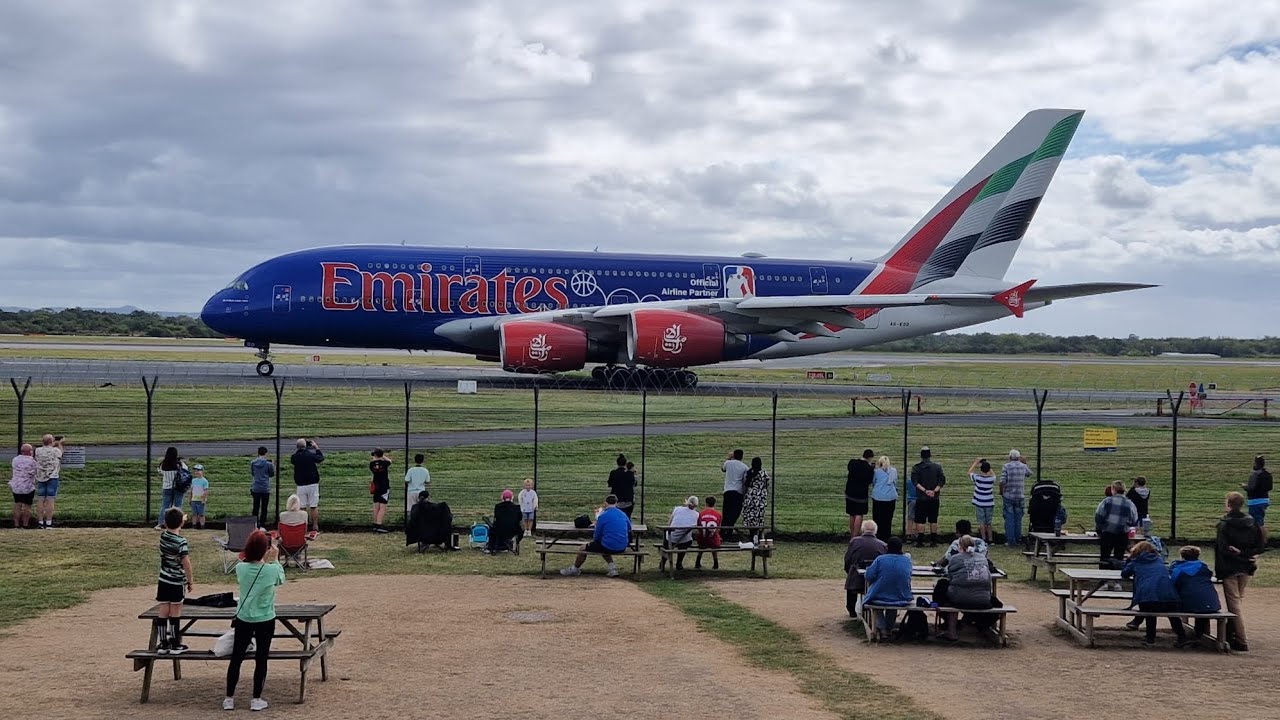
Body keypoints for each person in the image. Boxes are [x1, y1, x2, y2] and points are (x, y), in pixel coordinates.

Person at [224, 529, 286, 712]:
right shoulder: (272, 569)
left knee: (237, 657)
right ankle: (256, 698)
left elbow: (250, 565)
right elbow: (280, 579)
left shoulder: (241, 568)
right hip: (265, 618)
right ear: (266, 549)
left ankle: (229, 698)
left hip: (244, 617)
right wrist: (274, 559)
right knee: (261, 658)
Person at [1215, 491, 1265, 651]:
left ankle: (1241, 640)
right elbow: (1260, 546)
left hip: (1230, 567)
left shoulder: (1224, 524)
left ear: (1228, 504)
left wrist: (1237, 555)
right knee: (1237, 600)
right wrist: (1246, 556)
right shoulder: (1251, 522)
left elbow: (1223, 549)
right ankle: (1231, 634)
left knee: (1234, 603)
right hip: (1246, 566)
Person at [1121, 540, 1188, 648]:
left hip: (1148, 597)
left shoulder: (1136, 561)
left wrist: (1128, 561)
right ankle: (1182, 636)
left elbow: (1124, 574)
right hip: (1169, 595)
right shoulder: (1159, 560)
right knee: (1173, 615)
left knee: (1150, 614)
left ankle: (1150, 638)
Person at [934, 535, 994, 642]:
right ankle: (974, 624)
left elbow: (950, 577)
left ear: (959, 546)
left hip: (959, 599)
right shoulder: (982, 558)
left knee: (944, 589)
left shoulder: (955, 558)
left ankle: (951, 630)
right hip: (984, 600)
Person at [561, 494, 630, 577]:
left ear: (605, 503)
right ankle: (613, 569)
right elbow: (629, 527)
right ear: (616, 503)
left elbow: (597, 534)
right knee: (604, 545)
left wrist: (596, 541)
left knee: (583, 548)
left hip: (608, 545)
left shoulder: (603, 516)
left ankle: (574, 569)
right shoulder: (623, 514)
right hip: (623, 546)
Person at [155, 507, 193, 656]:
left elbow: (174, 524)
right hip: (177, 580)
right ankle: (175, 642)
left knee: (164, 608)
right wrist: (190, 581)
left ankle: (163, 642)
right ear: (181, 524)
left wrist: (179, 518)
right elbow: (186, 563)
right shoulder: (181, 541)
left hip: (163, 579)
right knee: (175, 610)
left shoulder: (163, 536)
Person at [863, 537, 914, 637]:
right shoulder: (906, 560)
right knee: (893, 604)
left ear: (887, 547)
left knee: (875, 602)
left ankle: (882, 628)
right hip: (901, 596)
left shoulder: (880, 559)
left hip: (879, 597)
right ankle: (889, 628)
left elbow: (868, 576)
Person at [1170, 545, 1221, 640]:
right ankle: (1200, 635)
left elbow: (1172, 584)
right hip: (1211, 603)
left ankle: (1182, 636)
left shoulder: (1178, 569)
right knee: (1201, 604)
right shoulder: (1204, 568)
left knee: (1173, 609)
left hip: (1187, 604)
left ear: (1182, 556)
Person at [843, 519, 886, 617]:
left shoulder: (854, 542)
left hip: (856, 578)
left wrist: (848, 571)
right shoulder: (882, 545)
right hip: (875, 579)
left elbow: (848, 559)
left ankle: (851, 609)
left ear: (862, 530)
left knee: (852, 571)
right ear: (875, 531)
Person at [1095, 480, 1138, 569]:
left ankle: (1103, 580)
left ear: (1113, 489)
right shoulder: (1130, 504)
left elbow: (1099, 515)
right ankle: (1117, 581)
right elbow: (1134, 520)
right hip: (1122, 534)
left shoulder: (1107, 501)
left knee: (1105, 557)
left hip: (1107, 532)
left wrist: (1099, 529)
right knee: (1119, 558)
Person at [911, 447, 945, 547]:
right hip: (934, 497)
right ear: (930, 455)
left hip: (922, 497)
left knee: (920, 519)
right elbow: (942, 480)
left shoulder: (916, 467)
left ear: (921, 456)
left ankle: (920, 541)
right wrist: (934, 490)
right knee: (933, 519)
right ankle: (933, 541)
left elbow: (915, 482)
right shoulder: (937, 467)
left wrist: (925, 491)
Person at [290, 438, 324, 532]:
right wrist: (316, 448)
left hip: (301, 484)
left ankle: (303, 527)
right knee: (313, 505)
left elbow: (293, 459)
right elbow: (320, 458)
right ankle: (315, 526)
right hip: (312, 483)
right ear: (306, 446)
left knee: (302, 507)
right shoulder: (310, 455)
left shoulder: (294, 457)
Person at [999, 449, 1031, 548]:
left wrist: (1001, 491)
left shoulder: (1006, 466)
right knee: (1018, 519)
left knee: (1009, 519)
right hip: (1020, 496)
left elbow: (1002, 481)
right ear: (1019, 457)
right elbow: (1029, 474)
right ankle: (1018, 538)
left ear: (1009, 457)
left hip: (1009, 495)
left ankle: (1011, 541)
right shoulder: (1023, 466)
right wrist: (1025, 463)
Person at [661, 496, 700, 572]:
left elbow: (669, 523)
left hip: (670, 538)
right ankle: (679, 563)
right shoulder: (696, 515)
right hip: (683, 540)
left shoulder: (677, 509)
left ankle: (662, 562)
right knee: (687, 541)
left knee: (666, 542)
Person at [34, 434, 64, 529]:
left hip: (40, 477)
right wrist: (59, 443)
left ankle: (40, 522)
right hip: (52, 476)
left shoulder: (38, 451)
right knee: (50, 499)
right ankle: (48, 522)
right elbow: (60, 453)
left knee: (41, 499)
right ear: (52, 441)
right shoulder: (56, 450)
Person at [155, 447, 186, 530]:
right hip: (178, 487)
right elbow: (185, 470)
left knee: (165, 506)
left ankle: (161, 523)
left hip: (166, 487)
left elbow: (160, 471)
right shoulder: (179, 464)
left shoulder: (163, 464)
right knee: (178, 506)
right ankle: (178, 524)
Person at [721, 449, 749, 540]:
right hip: (738, 492)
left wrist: (728, 458)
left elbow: (723, 468)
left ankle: (722, 533)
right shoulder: (745, 467)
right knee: (734, 513)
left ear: (734, 455)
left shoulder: (728, 463)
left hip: (728, 491)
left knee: (726, 513)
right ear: (742, 456)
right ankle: (729, 533)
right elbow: (745, 481)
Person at [846, 449, 874, 536]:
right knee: (859, 514)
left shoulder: (853, 462)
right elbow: (870, 481)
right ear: (870, 457)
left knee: (852, 514)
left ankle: (852, 534)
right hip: (861, 494)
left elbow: (849, 469)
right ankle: (855, 535)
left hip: (850, 492)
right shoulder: (869, 468)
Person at [1242, 455, 1271, 540]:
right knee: (1259, 521)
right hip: (1265, 499)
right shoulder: (1267, 474)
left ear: (1256, 463)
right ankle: (1260, 540)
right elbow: (1270, 487)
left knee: (1258, 523)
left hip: (1255, 501)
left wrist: (1244, 486)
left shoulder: (1255, 475)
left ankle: (1262, 542)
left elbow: (1251, 488)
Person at [486, 489, 524, 554]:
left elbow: (496, 518)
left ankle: (491, 547)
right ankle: (507, 546)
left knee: (492, 528)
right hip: (513, 531)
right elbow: (520, 519)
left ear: (502, 497)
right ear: (512, 497)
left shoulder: (498, 507)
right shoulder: (517, 508)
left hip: (500, 531)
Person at [968, 458, 996, 543]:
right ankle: (990, 539)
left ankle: (983, 538)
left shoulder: (977, 478)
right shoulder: (991, 479)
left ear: (981, 469)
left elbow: (969, 473)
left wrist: (976, 462)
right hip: (989, 503)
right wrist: (987, 465)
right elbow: (993, 474)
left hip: (979, 503)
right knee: (989, 522)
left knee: (981, 522)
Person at [871, 456, 898, 542]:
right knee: (888, 518)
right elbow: (895, 482)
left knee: (877, 518)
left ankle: (878, 536)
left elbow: (874, 482)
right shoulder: (893, 471)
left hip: (878, 497)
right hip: (890, 497)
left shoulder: (876, 472)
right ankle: (887, 536)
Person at [741, 457, 770, 535]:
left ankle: (752, 535)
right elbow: (767, 485)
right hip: (760, 498)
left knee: (750, 517)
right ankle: (759, 536)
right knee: (759, 517)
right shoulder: (764, 473)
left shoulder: (749, 473)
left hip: (750, 498)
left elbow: (746, 484)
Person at [10, 444, 36, 529]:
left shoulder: (15, 459)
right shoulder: (32, 461)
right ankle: (25, 524)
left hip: (16, 486)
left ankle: (16, 524)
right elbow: (34, 471)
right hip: (28, 486)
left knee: (17, 505)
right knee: (27, 506)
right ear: (29, 451)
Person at [695, 495, 722, 570]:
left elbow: (698, 526)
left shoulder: (701, 513)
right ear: (714, 504)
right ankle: (715, 563)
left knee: (702, 543)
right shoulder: (718, 514)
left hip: (702, 539)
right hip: (713, 540)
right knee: (715, 539)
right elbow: (718, 528)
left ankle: (697, 561)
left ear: (706, 503)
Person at [249, 447, 274, 529]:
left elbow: (253, 473)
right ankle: (262, 525)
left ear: (258, 453)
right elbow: (271, 474)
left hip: (256, 487)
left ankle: (254, 525)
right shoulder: (268, 464)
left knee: (255, 507)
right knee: (264, 507)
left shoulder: (253, 463)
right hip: (265, 488)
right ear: (266, 453)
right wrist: (273, 465)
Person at [368, 448, 392, 533]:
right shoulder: (384, 463)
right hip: (384, 486)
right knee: (382, 508)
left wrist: (375, 459)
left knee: (376, 507)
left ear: (374, 455)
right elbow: (390, 461)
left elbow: (375, 465)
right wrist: (383, 456)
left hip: (376, 486)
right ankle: (379, 525)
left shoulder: (371, 464)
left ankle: (375, 525)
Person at [607, 454, 636, 519]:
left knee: (615, 518)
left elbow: (610, 484)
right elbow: (634, 484)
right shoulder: (630, 474)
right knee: (627, 517)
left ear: (617, 463)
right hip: (628, 500)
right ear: (625, 464)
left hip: (616, 500)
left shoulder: (613, 473)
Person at [189, 464, 210, 530]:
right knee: (194, 514)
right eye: (195, 471)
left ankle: (202, 526)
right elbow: (191, 490)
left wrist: (203, 499)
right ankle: (194, 526)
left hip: (200, 500)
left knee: (201, 514)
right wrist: (190, 499)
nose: (197, 472)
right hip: (194, 499)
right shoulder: (193, 480)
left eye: (199, 470)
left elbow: (206, 491)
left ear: (202, 471)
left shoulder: (204, 481)